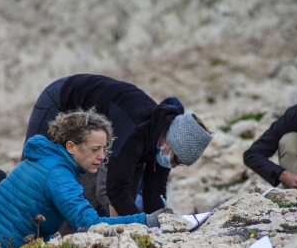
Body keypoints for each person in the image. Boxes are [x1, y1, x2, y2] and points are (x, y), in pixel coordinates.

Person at [0, 109, 172, 248]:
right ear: (71, 147)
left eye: (104, 149)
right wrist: (148, 220)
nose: (102, 156)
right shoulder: (59, 176)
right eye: (94, 149)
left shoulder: (47, 158)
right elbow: (91, 224)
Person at [23, 74, 213, 217]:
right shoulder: (137, 132)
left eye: (178, 164)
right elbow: (114, 190)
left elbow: (154, 192)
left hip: (96, 127)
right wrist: (142, 228)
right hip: (59, 102)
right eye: (175, 160)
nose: (172, 166)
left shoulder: (161, 142)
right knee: (33, 173)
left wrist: (160, 227)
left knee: (109, 189)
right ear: (172, 141)